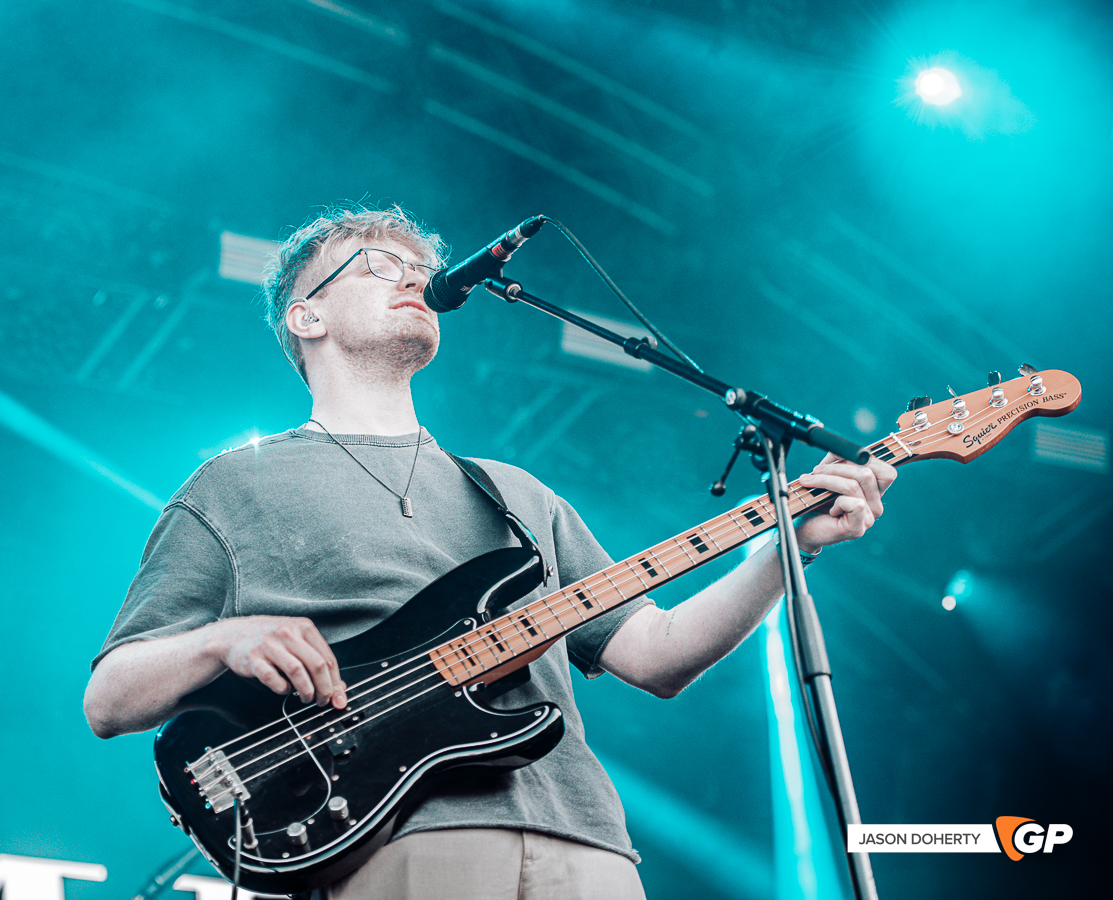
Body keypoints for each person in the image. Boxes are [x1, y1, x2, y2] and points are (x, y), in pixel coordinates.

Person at [84, 204, 896, 900]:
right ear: (307, 316)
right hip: (396, 840)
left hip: (589, 841)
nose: (415, 277)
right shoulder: (235, 484)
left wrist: (789, 548)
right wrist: (226, 637)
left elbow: (655, 656)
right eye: (377, 265)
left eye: (422, 267)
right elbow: (110, 699)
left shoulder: (513, 493)